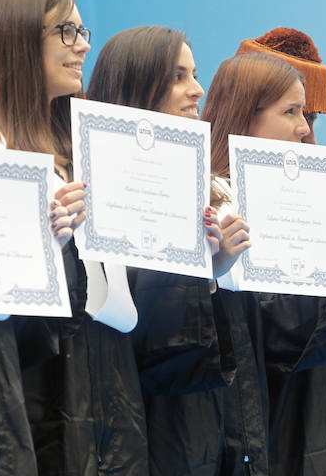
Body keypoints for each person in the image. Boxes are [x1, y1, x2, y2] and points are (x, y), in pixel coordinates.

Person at [0, 0, 154, 475]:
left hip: (96, 387)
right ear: (17, 38)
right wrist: (41, 242)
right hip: (22, 386)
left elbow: (115, 303)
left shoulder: (74, 155)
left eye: (83, 30)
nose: (83, 45)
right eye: (66, 31)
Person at [202, 50, 326, 475]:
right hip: (266, 416)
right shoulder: (213, 201)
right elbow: (268, 331)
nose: (304, 128)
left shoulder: (317, 198)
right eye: (290, 111)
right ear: (244, 114)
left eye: (304, 113)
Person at [85, 25, 246, 476]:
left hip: (201, 416)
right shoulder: (91, 183)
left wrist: (212, 268)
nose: (197, 90)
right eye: (178, 77)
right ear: (136, 81)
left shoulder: (202, 189)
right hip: (125, 412)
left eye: (194, 75)